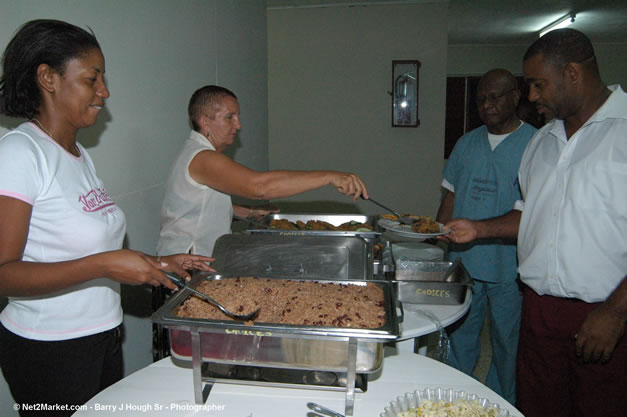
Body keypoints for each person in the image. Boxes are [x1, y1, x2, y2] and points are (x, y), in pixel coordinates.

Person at [0, 20, 213, 416]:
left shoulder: (80, 155)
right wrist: (105, 265)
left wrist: (158, 264)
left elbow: (90, 245)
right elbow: (4, 272)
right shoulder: (19, 153)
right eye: (91, 79)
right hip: (50, 350)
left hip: (103, 337)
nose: (105, 92)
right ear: (48, 78)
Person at [439, 29, 626, 417]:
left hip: (604, 310)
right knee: (538, 401)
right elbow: (529, 214)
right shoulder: (542, 144)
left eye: (538, 84)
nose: (534, 96)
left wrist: (615, 312)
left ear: (572, 73)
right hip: (539, 308)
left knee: (600, 403)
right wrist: (479, 229)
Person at [156, 85, 369, 257]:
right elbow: (259, 187)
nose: (238, 125)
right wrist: (330, 177)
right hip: (186, 267)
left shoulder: (198, 153)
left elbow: (198, 206)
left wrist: (245, 211)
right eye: (230, 117)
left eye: (238, 116)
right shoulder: (203, 158)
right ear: (205, 121)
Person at [436, 68, 536, 404]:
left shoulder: (535, 144)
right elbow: (450, 196)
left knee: (508, 343)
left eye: (495, 96)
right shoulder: (467, 143)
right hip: (464, 264)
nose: (487, 104)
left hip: (510, 266)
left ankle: (501, 403)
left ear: (516, 96)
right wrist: (438, 242)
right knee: (459, 339)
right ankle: (455, 402)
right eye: (481, 98)